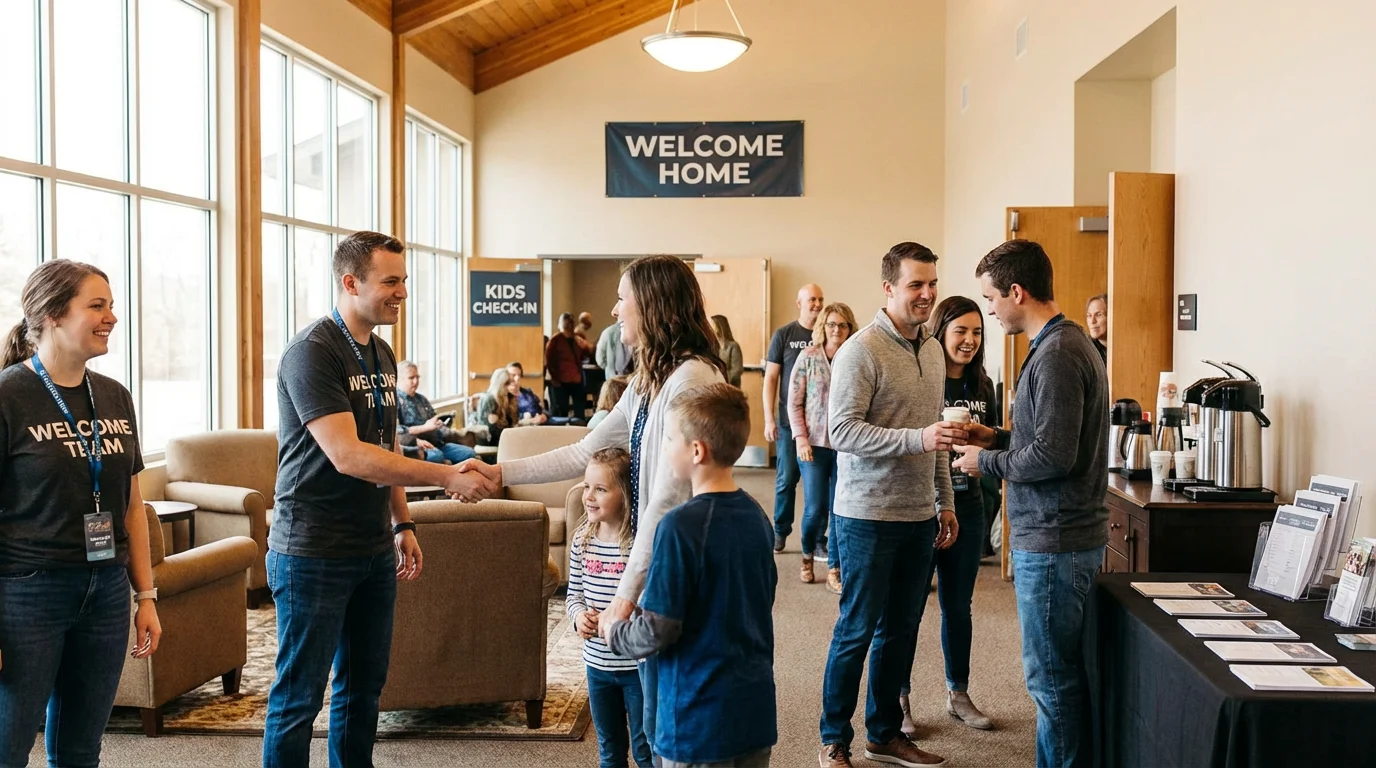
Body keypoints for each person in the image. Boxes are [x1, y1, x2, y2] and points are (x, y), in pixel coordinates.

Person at [263, 231, 496, 767]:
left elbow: (385, 442)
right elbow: (349, 456)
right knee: (299, 697)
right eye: (391, 281)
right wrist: (446, 477)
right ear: (350, 282)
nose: (402, 293)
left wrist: (402, 523)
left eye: (403, 281)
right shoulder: (312, 353)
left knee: (363, 689)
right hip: (311, 550)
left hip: (370, 547)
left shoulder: (381, 350)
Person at [458, 254, 726, 654]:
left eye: (623, 299)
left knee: (666, 692)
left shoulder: (691, 380)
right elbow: (585, 449)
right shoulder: (647, 382)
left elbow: (669, 498)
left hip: (679, 557)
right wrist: (501, 473)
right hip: (659, 556)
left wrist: (625, 592)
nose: (615, 310)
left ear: (653, 305)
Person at [952, 239, 1110, 768]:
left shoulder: (1060, 353)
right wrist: (993, 434)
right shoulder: (1057, 345)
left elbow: (1054, 456)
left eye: (991, 299)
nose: (990, 309)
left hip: (1056, 541)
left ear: (1017, 292)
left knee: (1052, 681)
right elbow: (1041, 435)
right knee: (1056, 675)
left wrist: (984, 462)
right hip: (1058, 538)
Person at [0, 260, 161, 767]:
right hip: (27, 591)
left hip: (105, 590)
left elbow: (132, 505)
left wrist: (146, 594)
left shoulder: (114, 395)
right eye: (96, 305)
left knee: (80, 749)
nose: (111, 316)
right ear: (50, 314)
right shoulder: (9, 395)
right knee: (8, 745)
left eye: (110, 305)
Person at [818, 242, 962, 768]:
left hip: (919, 514)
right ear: (888, 288)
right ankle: (835, 739)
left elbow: (938, 438)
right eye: (915, 285)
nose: (926, 295)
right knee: (856, 631)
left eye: (931, 284)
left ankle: (883, 734)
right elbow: (841, 430)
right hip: (865, 516)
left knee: (900, 633)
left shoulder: (931, 349)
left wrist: (943, 500)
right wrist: (915, 440)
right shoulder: (861, 349)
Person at [605, 383, 776, 768]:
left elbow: (658, 629)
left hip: (696, 721)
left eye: (668, 438)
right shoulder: (758, 517)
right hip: (753, 711)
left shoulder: (678, 527)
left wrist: (613, 629)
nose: (664, 447)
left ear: (696, 451)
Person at [896, 296, 999, 736]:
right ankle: (898, 697)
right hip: (923, 505)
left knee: (959, 607)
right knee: (909, 608)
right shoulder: (926, 381)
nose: (970, 341)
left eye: (977, 332)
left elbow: (992, 444)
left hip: (969, 505)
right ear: (941, 333)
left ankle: (958, 693)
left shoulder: (983, 386)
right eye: (960, 331)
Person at [567, 447, 653, 768]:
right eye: (586, 486)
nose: (588, 496)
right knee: (610, 750)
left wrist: (617, 618)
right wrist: (579, 619)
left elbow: (648, 605)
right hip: (597, 668)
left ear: (625, 494)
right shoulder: (582, 541)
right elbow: (573, 596)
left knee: (645, 749)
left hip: (636, 668)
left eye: (600, 489)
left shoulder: (638, 548)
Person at [787, 301, 857, 592]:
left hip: (846, 446)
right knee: (815, 508)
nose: (837, 330)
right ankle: (806, 556)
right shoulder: (809, 356)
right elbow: (794, 401)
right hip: (813, 445)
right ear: (823, 327)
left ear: (849, 328)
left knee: (840, 509)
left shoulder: (855, 357)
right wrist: (800, 438)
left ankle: (834, 568)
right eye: (831, 324)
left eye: (842, 325)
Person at [764, 283, 824, 554]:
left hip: (822, 428)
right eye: (812, 299)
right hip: (790, 423)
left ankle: (819, 539)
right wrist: (769, 419)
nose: (817, 304)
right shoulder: (785, 334)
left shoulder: (827, 336)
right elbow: (772, 378)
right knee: (787, 479)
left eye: (820, 299)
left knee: (822, 485)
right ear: (799, 303)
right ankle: (780, 530)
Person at [396, 360, 478, 465]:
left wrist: (439, 424)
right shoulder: (395, 401)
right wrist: (424, 428)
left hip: (437, 442)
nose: (416, 381)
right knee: (437, 456)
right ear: (399, 380)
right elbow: (398, 431)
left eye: (417, 377)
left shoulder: (421, 399)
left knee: (469, 453)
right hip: (416, 446)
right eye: (411, 378)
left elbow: (434, 419)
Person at [546, 312, 586, 420]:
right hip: (560, 381)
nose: (569, 324)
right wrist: (554, 378)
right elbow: (549, 361)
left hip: (576, 378)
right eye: (567, 321)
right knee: (560, 410)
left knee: (579, 409)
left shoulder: (577, 339)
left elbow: (583, 354)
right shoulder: (555, 340)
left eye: (571, 322)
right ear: (561, 323)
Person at [470, 366, 522, 445]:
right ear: (500, 384)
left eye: (512, 382)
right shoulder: (490, 400)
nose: (513, 384)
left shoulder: (509, 398)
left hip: (505, 436)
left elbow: (513, 422)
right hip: (490, 439)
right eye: (508, 383)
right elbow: (492, 429)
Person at [711, 315, 744, 387]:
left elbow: (737, 370)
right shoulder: (712, 347)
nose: (709, 328)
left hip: (730, 389)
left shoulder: (733, 346)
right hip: (715, 389)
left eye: (712, 325)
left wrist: (721, 381)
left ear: (719, 327)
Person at [1085, 294, 1107, 364]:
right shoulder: (1085, 350)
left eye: (1099, 315)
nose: (1092, 321)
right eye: (1089, 316)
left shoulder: (1126, 347)